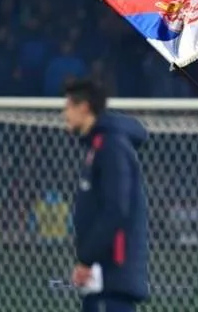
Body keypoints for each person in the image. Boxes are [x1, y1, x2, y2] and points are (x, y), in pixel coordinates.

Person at [63, 77, 149, 312]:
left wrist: (87, 259)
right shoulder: (98, 145)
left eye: (68, 106)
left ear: (84, 107)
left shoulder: (111, 147)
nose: (65, 114)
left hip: (112, 275)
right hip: (102, 278)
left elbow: (116, 209)